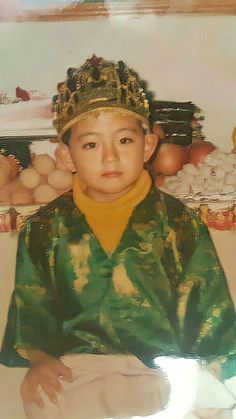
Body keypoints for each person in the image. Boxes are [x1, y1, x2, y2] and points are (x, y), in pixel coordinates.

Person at [0, 55, 235, 419]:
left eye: (124, 140)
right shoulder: (44, 227)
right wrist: (41, 361)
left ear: (147, 146)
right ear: (66, 156)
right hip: (77, 369)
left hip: (160, 370)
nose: (110, 157)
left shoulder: (179, 224)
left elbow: (209, 314)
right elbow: (34, 307)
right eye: (91, 145)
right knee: (44, 397)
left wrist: (205, 378)